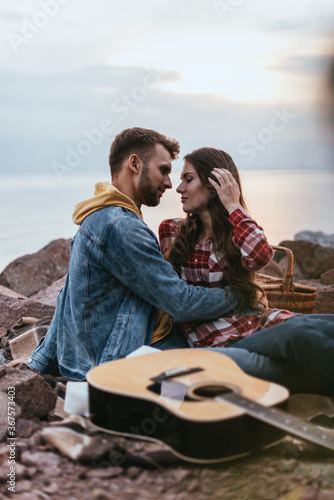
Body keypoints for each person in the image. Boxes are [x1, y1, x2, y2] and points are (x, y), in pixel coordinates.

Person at [19, 128, 241, 380]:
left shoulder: (97, 214)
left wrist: (39, 364)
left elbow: (66, 296)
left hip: (94, 356)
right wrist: (238, 297)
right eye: (164, 170)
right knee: (232, 373)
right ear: (134, 163)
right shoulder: (121, 226)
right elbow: (180, 303)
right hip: (124, 358)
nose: (170, 184)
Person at [158, 147, 334, 395]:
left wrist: (231, 203)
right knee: (302, 336)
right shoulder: (172, 231)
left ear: (214, 185)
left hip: (261, 324)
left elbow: (261, 255)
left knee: (323, 324)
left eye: (188, 179)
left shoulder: (234, 231)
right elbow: (173, 296)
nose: (179, 189)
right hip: (221, 343)